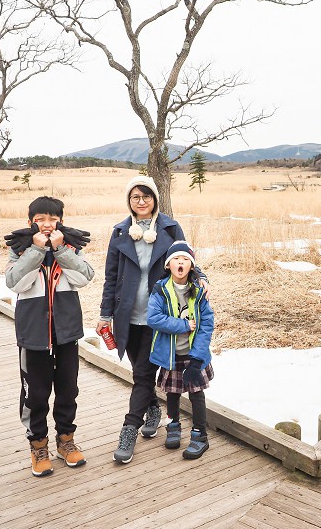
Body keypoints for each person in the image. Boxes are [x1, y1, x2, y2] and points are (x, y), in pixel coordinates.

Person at [97, 176, 208, 464]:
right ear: (129, 201)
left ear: (155, 199)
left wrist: (202, 277)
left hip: (159, 316)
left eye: (147, 196)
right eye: (135, 197)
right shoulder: (120, 232)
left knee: (144, 374)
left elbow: (186, 258)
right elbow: (111, 277)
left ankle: (129, 430)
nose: (142, 201)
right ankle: (154, 410)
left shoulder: (170, 227)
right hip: (127, 316)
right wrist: (105, 314)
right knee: (140, 373)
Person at [5, 196, 95, 477]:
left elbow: (85, 277)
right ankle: (38, 444)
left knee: (68, 390)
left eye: (52, 219)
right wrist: (36, 250)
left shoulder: (70, 247)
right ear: (31, 220)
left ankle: (65, 441)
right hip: (33, 333)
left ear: (60, 221)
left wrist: (60, 251)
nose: (47, 224)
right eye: (41, 218)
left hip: (66, 333)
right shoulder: (20, 249)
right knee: (36, 394)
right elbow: (14, 282)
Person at [148, 240, 214, 459]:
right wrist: (184, 325)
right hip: (172, 354)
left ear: (191, 266)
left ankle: (200, 435)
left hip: (193, 355)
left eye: (185, 259)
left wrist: (197, 360)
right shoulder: (160, 290)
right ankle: (173, 426)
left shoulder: (199, 291)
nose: (181, 262)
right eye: (176, 258)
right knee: (173, 393)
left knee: (197, 394)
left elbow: (206, 325)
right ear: (168, 265)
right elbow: (153, 318)